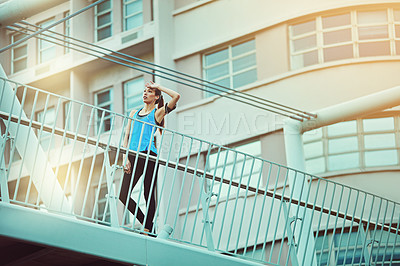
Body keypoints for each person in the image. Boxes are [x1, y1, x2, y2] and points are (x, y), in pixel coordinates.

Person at [119, 80, 180, 235]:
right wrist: (125, 158)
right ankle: (149, 224)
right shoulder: (133, 113)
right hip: (133, 155)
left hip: (148, 156)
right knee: (123, 194)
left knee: (148, 193)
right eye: (145, 91)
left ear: (156, 97)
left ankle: (147, 229)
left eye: (150, 92)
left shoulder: (157, 113)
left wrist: (158, 87)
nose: (145, 93)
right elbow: (126, 136)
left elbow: (176, 96)